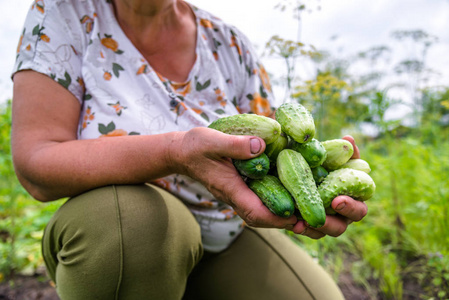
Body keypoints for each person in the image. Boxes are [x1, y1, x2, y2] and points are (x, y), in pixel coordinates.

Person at [11, 0, 367, 299]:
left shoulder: (228, 43)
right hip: (125, 229)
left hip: (226, 227)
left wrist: (317, 181)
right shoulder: (65, 16)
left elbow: (273, 153)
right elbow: (35, 165)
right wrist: (175, 152)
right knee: (129, 230)